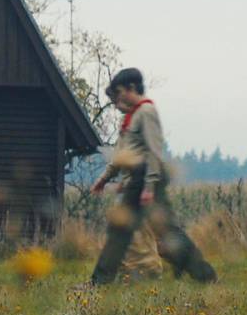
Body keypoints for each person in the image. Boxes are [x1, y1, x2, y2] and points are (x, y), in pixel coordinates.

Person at [88, 68, 217, 285]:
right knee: (120, 233)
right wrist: (105, 179)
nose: (118, 98)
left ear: (131, 88)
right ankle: (99, 282)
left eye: (119, 92)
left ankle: (205, 275)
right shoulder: (133, 116)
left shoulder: (146, 111)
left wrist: (148, 187)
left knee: (168, 234)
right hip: (137, 180)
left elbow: (154, 151)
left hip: (147, 179)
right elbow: (125, 154)